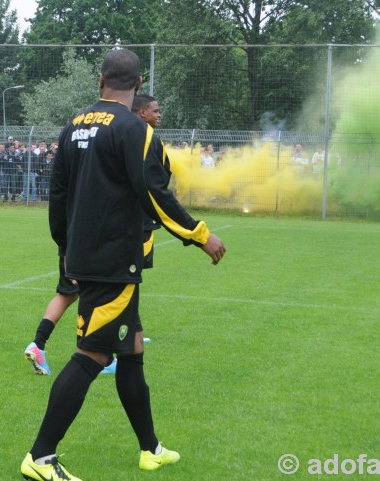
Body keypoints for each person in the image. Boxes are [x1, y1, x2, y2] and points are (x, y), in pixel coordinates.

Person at [20, 48, 226, 481]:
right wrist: (200, 234)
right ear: (136, 86)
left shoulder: (71, 127)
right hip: (113, 262)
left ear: (100, 81)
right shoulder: (136, 130)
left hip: (84, 254)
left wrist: (67, 249)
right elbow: (156, 195)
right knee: (91, 355)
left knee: (131, 353)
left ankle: (149, 449)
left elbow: (57, 195)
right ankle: (40, 458)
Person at [23, 95, 164, 377]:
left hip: (76, 234)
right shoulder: (126, 137)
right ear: (141, 113)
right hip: (93, 239)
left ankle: (129, 338)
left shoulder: (85, 134)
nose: (159, 115)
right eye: (155, 111)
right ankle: (46, 345)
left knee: (84, 291)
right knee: (81, 292)